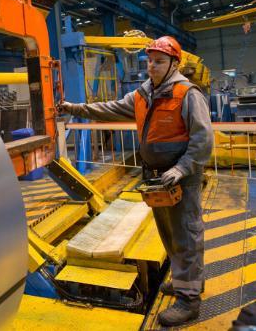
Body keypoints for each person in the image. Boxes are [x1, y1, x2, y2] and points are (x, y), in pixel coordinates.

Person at [59, 36, 213, 327]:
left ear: (174, 63)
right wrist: (76, 108)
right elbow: (111, 108)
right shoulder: (144, 95)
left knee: (187, 236)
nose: (152, 67)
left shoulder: (188, 94)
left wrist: (181, 169)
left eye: (159, 61)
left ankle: (189, 301)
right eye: (149, 62)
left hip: (181, 179)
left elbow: (203, 140)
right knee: (169, 236)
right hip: (157, 180)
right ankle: (185, 281)